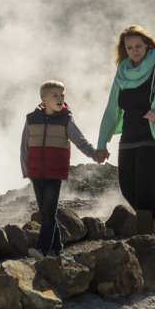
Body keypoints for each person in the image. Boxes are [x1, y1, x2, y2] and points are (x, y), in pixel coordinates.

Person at [96, 25, 155, 236]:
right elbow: (111, 111)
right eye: (129, 47)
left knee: (145, 188)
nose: (134, 50)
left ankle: (146, 243)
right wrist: (101, 144)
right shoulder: (122, 72)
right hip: (130, 135)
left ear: (147, 45)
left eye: (138, 46)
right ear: (124, 50)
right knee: (128, 189)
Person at [20, 79, 107, 258]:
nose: (60, 98)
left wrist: (94, 154)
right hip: (36, 172)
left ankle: (43, 249)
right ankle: (58, 248)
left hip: (54, 172)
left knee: (49, 211)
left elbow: (80, 140)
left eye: (62, 95)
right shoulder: (31, 119)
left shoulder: (66, 120)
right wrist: (26, 170)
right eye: (55, 95)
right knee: (46, 212)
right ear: (43, 99)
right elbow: (24, 146)